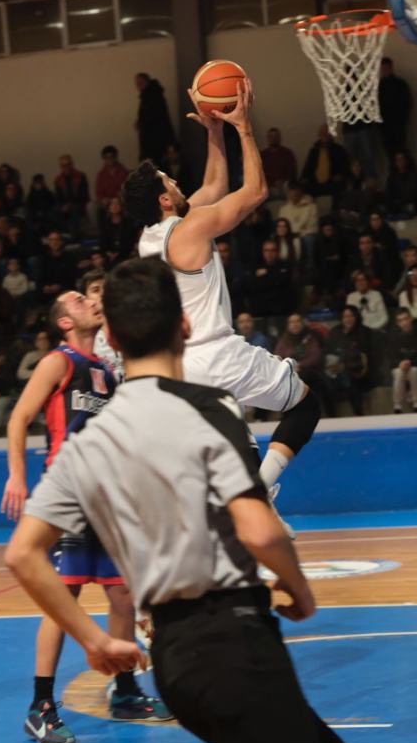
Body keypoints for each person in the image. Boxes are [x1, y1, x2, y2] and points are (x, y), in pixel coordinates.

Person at [5, 256, 372, 743]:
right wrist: (300, 588)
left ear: (111, 333)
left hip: (173, 664)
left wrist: (94, 640)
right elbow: (260, 529)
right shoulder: (211, 406)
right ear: (184, 325)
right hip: (233, 639)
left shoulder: (93, 438)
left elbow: (21, 554)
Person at [125, 81, 321, 515]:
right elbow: (253, 194)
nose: (177, 181)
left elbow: (214, 184)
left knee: (238, 448)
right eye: (169, 180)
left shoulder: (151, 236)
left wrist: (214, 132)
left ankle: (251, 524)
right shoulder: (188, 229)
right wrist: (245, 128)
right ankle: (262, 495)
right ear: (164, 198)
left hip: (181, 367)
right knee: (306, 405)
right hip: (217, 354)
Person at [0, 289, 168, 743]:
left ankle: (126, 691)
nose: (88, 301)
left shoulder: (107, 371)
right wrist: (16, 476)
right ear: (64, 322)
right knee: (64, 597)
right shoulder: (59, 361)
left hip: (108, 496)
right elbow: (19, 418)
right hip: (70, 491)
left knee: (123, 594)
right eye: (77, 300)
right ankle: (41, 707)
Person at [325, 306, 371, 416]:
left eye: (351, 316)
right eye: (345, 316)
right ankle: (330, 419)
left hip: (357, 370)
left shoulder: (364, 332)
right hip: (335, 369)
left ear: (356, 317)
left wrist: (344, 365)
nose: (348, 319)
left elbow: (364, 356)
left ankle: (358, 415)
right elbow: (328, 351)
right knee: (324, 383)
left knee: (350, 382)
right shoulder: (335, 332)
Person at [388, 308, 417, 413]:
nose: (404, 323)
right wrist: (400, 364)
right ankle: (397, 406)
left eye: (406, 319)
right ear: (397, 323)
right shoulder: (393, 337)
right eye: (400, 320)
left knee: (413, 371)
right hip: (399, 368)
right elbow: (390, 358)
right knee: (399, 372)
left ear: (411, 319)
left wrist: (410, 364)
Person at [135, 72, 176, 163]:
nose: (138, 86)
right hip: (156, 141)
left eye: (140, 83)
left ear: (147, 82)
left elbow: (161, 120)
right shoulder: (152, 96)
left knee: (155, 167)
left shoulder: (152, 97)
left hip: (154, 142)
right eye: (137, 84)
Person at [301, 123, 349, 198]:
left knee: (339, 186)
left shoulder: (339, 150)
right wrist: (304, 178)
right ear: (319, 135)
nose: (324, 135)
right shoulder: (313, 151)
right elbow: (307, 167)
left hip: (332, 181)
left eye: (326, 133)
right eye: (322, 133)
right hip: (315, 182)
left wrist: (341, 175)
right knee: (303, 186)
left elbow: (345, 166)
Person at [378, 57, 412, 156]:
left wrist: (403, 119)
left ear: (391, 68)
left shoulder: (400, 84)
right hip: (385, 127)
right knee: (389, 153)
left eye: (386, 68)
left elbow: (407, 103)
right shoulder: (379, 87)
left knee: (401, 152)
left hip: (398, 125)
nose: (385, 71)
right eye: (383, 69)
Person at [54, 155, 90, 236]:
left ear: (71, 164)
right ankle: (62, 235)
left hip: (79, 203)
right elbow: (58, 197)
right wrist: (62, 206)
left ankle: (75, 236)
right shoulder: (58, 179)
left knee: (74, 209)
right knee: (55, 211)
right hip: (64, 205)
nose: (66, 167)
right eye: (63, 165)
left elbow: (84, 195)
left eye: (68, 164)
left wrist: (69, 205)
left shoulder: (80, 176)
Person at [259, 127, 297, 197]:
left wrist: (282, 181)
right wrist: (272, 183)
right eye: (271, 137)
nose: (273, 139)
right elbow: (260, 173)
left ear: (279, 138)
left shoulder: (287, 153)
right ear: (268, 138)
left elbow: (292, 172)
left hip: (285, 184)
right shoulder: (263, 155)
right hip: (268, 186)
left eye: (276, 136)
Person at [384, 150, 417, 216]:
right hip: (399, 209)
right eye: (397, 160)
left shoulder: (415, 176)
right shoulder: (391, 179)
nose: (400, 162)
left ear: (406, 160)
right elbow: (389, 197)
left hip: (415, 207)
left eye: (402, 159)